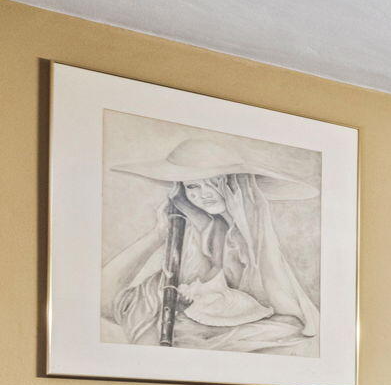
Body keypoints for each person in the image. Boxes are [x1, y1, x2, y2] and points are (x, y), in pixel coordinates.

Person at [101, 136, 321, 354]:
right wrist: (157, 234)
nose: (203, 195)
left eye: (215, 183)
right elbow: (104, 300)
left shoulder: (252, 241)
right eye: (193, 186)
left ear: (236, 186)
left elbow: (291, 321)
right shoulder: (201, 237)